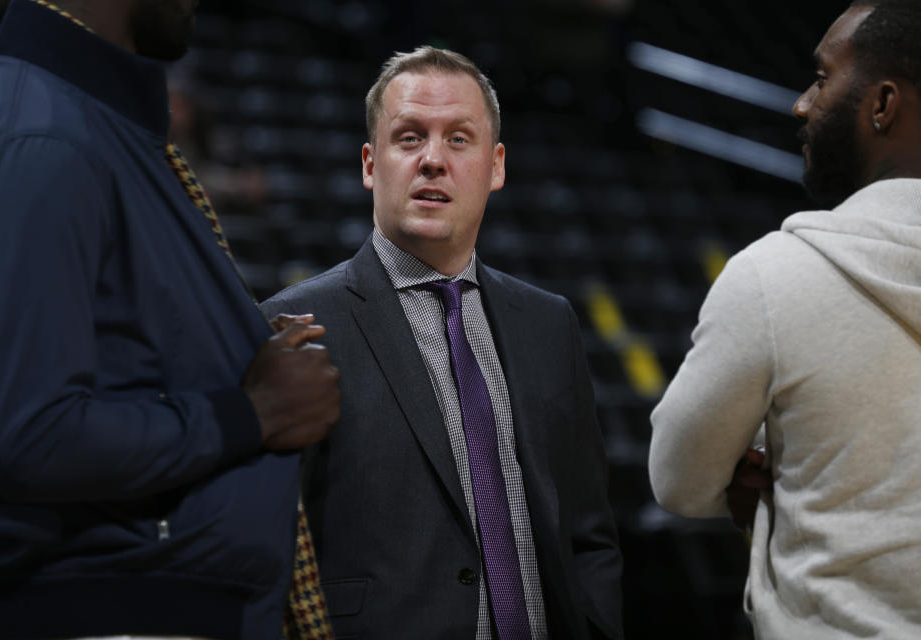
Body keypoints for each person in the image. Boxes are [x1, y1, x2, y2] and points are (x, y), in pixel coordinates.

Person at [0, 0, 339, 637]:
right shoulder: (42, 135)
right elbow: (34, 437)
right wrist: (255, 411)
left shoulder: (88, 121)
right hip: (106, 612)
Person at [262, 46, 623, 640]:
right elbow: (268, 549)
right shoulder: (294, 323)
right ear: (370, 165)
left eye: (459, 139)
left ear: (496, 166)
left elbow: (588, 531)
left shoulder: (548, 323)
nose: (433, 159)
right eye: (409, 138)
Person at [649, 1, 921, 637]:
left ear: (882, 105)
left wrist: (774, 457)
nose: (802, 104)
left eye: (823, 78)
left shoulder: (775, 275)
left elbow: (680, 482)